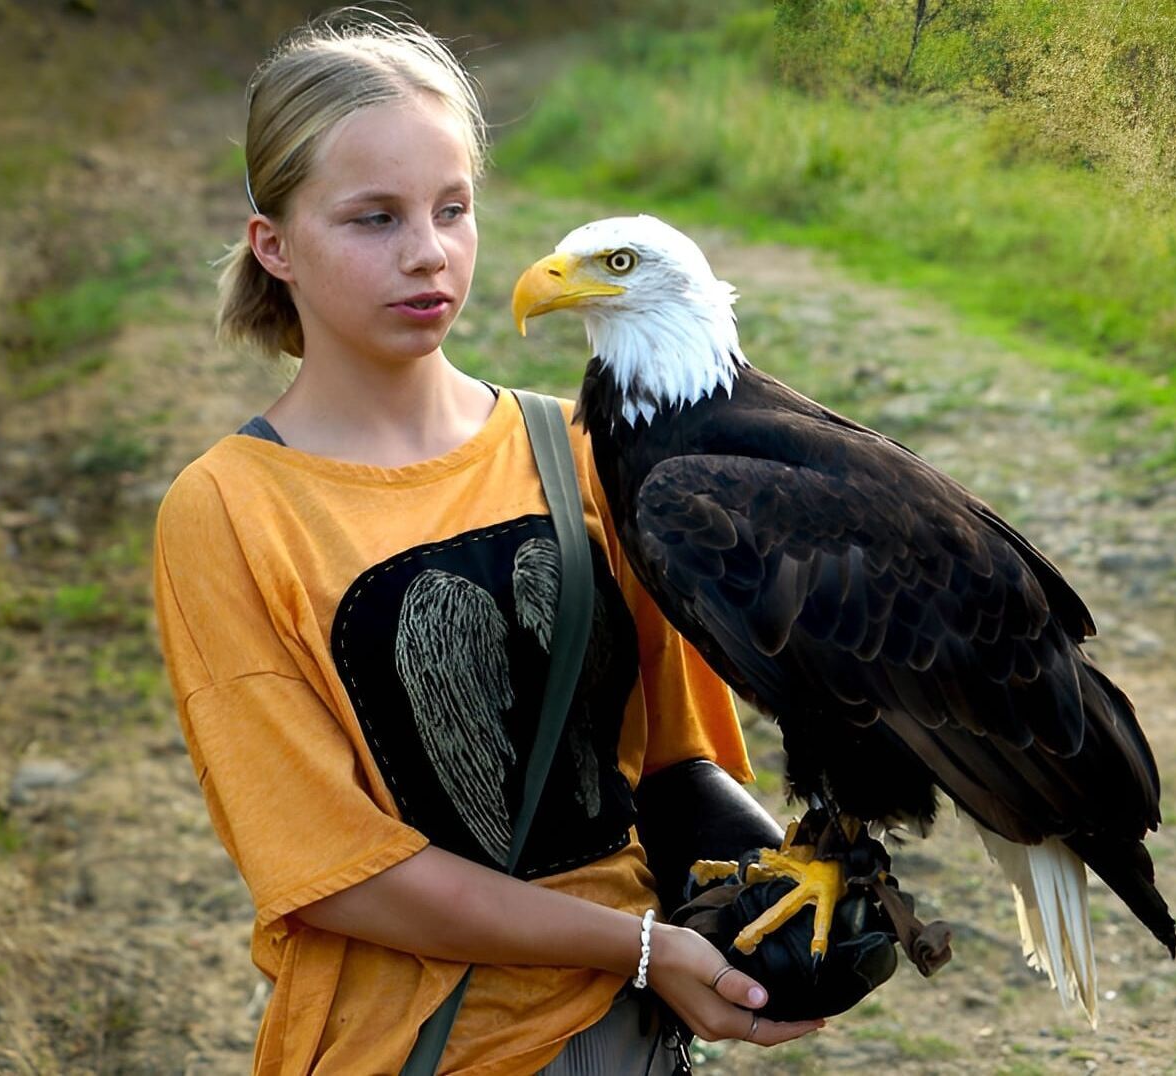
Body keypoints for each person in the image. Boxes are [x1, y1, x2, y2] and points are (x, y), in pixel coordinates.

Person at [149, 11, 824, 1075]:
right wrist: (639, 945)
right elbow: (330, 868)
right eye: (373, 217)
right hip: (406, 1048)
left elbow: (678, 758)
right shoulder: (230, 509)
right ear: (272, 245)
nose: (428, 253)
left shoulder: (588, 448)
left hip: (625, 1040)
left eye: (451, 209)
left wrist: (776, 912)